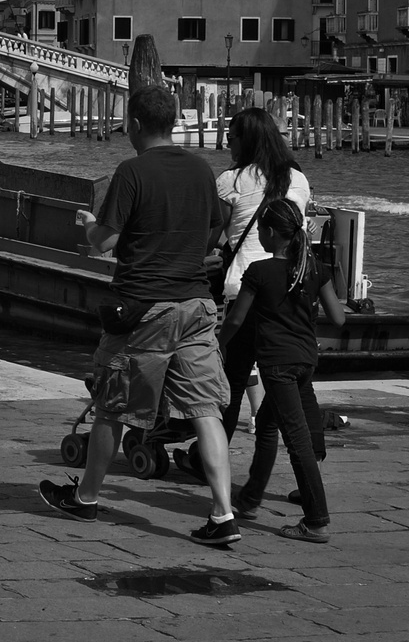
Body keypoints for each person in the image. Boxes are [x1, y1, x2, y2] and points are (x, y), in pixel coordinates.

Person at [39, 86, 238, 545]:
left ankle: (85, 499)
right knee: (206, 410)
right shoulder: (201, 170)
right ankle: (223, 514)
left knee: (111, 406)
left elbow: (104, 243)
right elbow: (214, 234)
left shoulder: (130, 172)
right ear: (174, 122)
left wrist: (88, 224)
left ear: (133, 124)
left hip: (144, 309)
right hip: (196, 305)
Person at [181, 107, 313, 476]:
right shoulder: (297, 179)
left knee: (232, 381)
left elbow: (212, 236)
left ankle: (210, 460)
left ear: (247, 139)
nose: (227, 141)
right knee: (294, 383)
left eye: (233, 135)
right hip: (290, 289)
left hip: (245, 288)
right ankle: (310, 456)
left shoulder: (231, 180)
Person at [219, 197, 345, 542]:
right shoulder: (314, 268)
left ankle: (317, 519)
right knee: (267, 425)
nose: (258, 233)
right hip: (306, 360)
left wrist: (220, 342)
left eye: (260, 228)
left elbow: (237, 318)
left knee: (297, 441)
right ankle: (250, 498)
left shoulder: (260, 272)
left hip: (277, 364)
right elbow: (339, 317)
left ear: (272, 232)